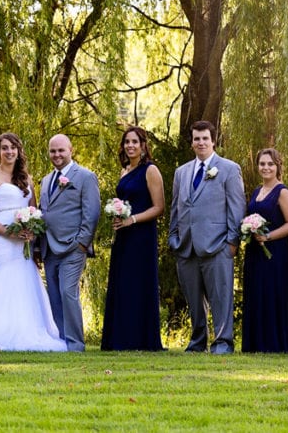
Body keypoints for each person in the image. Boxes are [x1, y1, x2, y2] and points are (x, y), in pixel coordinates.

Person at [0, 133, 66, 352]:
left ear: (19, 151)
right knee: (3, 278)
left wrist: (31, 232)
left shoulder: (26, 177)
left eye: (13, 148)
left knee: (25, 279)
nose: (9, 152)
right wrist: (9, 232)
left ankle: (25, 328)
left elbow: (34, 211)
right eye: (4, 148)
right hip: (0, 239)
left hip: (23, 238)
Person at [168, 120, 245, 354]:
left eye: (205, 138)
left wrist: (232, 243)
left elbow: (237, 207)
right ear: (192, 142)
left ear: (213, 140)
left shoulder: (229, 169)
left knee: (221, 297)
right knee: (194, 300)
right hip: (186, 246)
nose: (201, 142)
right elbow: (175, 208)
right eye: (196, 138)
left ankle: (223, 342)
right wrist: (174, 238)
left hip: (218, 245)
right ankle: (197, 341)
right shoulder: (182, 172)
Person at [100, 127, 165, 351]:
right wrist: (117, 215)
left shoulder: (151, 170)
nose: (130, 146)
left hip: (142, 236)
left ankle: (141, 338)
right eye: (127, 142)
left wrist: (133, 220)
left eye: (135, 142)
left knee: (139, 284)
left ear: (143, 145)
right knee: (123, 284)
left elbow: (159, 207)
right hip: (124, 235)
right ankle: (121, 337)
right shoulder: (125, 170)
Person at [38, 134, 101, 352]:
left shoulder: (85, 176)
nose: (56, 155)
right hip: (49, 247)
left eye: (60, 150)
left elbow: (91, 213)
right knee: (54, 295)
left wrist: (82, 243)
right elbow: (44, 212)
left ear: (70, 150)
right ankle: (63, 341)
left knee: (67, 292)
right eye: (53, 151)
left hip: (73, 247)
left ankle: (76, 344)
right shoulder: (46, 180)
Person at [241, 148, 288, 353]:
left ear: (278, 167)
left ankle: (274, 344)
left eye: (270, 164)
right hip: (255, 251)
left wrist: (268, 236)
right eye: (262, 164)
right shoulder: (257, 191)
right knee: (257, 293)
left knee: (272, 293)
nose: (266, 167)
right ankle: (256, 343)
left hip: (275, 251)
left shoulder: (283, 192)